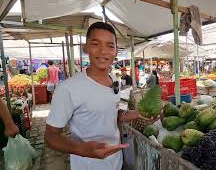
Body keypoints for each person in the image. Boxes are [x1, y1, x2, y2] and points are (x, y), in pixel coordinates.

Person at [44, 22, 152, 170]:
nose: (103, 51)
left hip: (116, 162)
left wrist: (138, 113)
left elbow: (111, 114)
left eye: (110, 46)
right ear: (86, 48)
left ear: (115, 51)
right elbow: (50, 136)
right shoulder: (68, 88)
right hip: (87, 165)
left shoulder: (114, 79)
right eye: (96, 44)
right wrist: (82, 149)